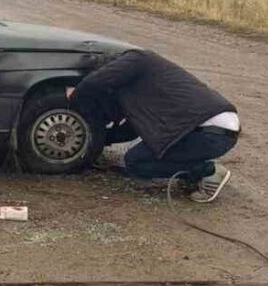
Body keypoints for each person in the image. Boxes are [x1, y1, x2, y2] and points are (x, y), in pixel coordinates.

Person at [68, 49, 239, 203]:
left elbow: (96, 81)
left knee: (137, 163)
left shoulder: (139, 59)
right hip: (210, 129)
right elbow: (130, 130)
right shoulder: (142, 84)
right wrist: (95, 144)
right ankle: (193, 171)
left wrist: (75, 95)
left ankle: (208, 171)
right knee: (139, 157)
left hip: (210, 132)